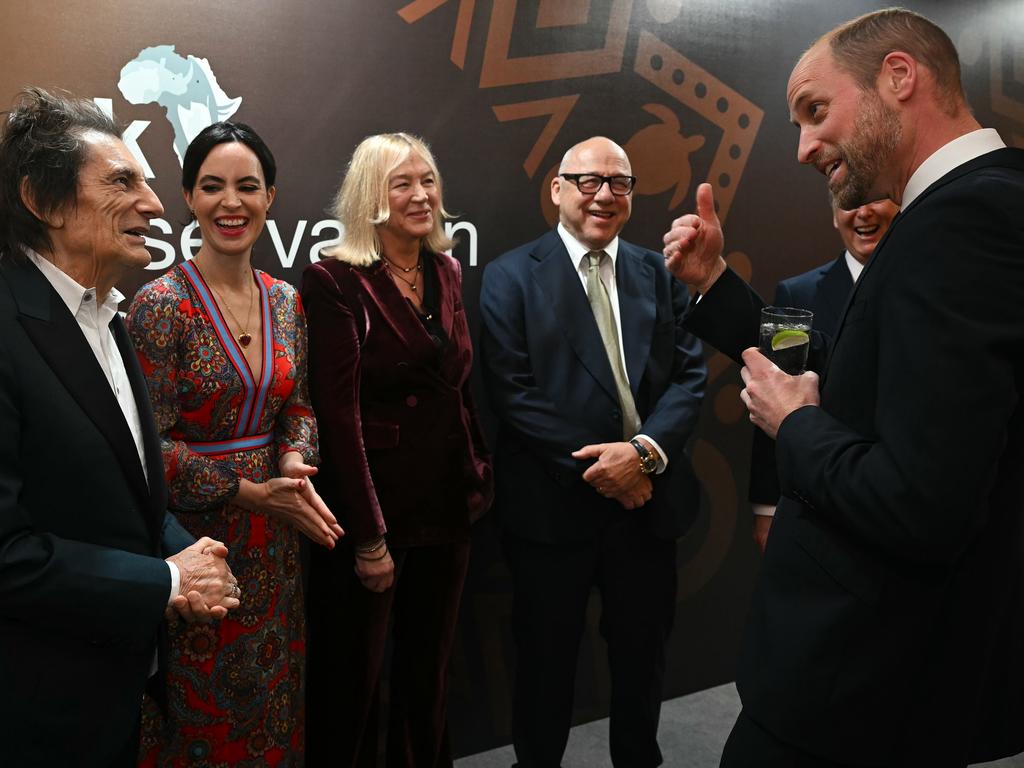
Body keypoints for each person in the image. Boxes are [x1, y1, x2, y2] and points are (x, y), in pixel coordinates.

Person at [663, 8, 1024, 767]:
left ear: (899, 77)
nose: (801, 148)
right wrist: (718, 288)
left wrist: (796, 426)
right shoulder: (972, 209)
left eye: (815, 111)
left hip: (858, 684)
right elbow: (812, 352)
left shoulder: (961, 222)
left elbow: (921, 503)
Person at [0, 87, 239, 768]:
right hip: (34, 707)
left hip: (111, 688)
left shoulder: (108, 315)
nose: (156, 205)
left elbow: (127, 490)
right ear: (43, 203)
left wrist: (190, 555)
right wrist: (164, 584)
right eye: (122, 181)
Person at [480, 136, 707, 768]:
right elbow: (513, 392)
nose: (605, 194)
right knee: (545, 666)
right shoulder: (508, 275)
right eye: (588, 181)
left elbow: (690, 376)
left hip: (649, 501)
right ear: (557, 188)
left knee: (643, 660)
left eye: (620, 183)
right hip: (554, 510)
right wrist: (608, 471)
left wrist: (644, 454)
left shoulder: (658, 273)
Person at [127, 121, 342, 766]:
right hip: (196, 548)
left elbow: (299, 405)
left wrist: (295, 463)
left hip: (277, 545)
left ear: (271, 197)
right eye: (213, 187)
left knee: (275, 708)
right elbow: (148, 446)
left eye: (248, 187)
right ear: (189, 197)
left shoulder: (286, 301)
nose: (232, 203)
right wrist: (251, 493)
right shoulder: (160, 305)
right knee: (203, 717)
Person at [301, 132, 493, 767]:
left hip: (446, 506)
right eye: (402, 183)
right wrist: (369, 537)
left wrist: (477, 472)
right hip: (375, 512)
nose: (421, 195)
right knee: (352, 686)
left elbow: (457, 385)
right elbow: (339, 414)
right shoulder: (333, 280)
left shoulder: (446, 270)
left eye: (429, 180)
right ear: (370, 196)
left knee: (428, 680)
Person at [749, 198, 897, 551]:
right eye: (849, 202)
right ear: (833, 214)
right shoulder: (798, 293)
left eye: (874, 198)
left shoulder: (928, 287)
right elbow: (771, 395)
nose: (863, 212)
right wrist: (767, 507)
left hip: (898, 496)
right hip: (817, 498)